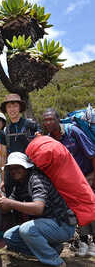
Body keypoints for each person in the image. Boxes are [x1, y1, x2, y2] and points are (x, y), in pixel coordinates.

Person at [0, 152, 76, 267]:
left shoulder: (37, 179)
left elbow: (38, 208)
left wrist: (10, 203)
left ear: (26, 167)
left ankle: (56, 262)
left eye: (18, 167)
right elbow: (5, 208)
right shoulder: (20, 184)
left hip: (62, 224)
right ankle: (52, 250)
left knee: (27, 229)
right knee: (9, 237)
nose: (14, 171)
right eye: (11, 168)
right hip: (46, 225)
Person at [43, 108, 95, 257]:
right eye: (45, 120)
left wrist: (93, 176)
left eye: (51, 119)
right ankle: (85, 242)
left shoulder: (73, 132)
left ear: (58, 119)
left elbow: (92, 153)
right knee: (79, 211)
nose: (48, 122)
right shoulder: (50, 139)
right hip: (71, 182)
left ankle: (94, 243)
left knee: (91, 210)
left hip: (87, 176)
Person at [0, 93, 41, 196]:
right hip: (12, 172)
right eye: (9, 106)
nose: (12, 109)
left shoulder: (31, 125)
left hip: (30, 169)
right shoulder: (4, 131)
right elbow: (3, 157)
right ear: (6, 109)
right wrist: (3, 179)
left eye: (15, 106)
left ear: (20, 107)